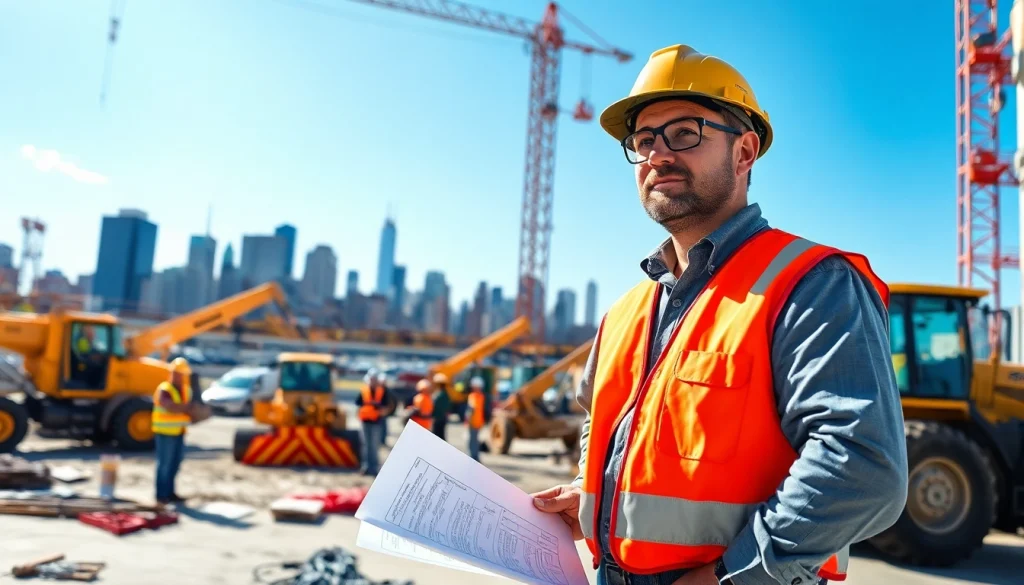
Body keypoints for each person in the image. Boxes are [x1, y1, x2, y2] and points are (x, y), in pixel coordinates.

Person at [530, 44, 909, 585]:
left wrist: (730, 577)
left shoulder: (811, 283)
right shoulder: (626, 312)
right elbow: (616, 433)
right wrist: (595, 497)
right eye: (644, 141)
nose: (658, 155)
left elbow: (864, 466)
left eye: (685, 133)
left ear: (744, 152)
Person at [152, 357, 195, 505]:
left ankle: (170, 493)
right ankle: (161, 495)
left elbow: (192, 409)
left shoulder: (186, 390)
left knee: (175, 464)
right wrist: (187, 407)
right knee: (164, 465)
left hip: (179, 431)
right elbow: (169, 406)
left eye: (181, 374)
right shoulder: (165, 389)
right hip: (165, 432)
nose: (178, 376)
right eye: (176, 373)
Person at [354, 371, 393, 475]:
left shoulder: (382, 391)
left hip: (376, 422)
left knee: (374, 445)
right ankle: (366, 466)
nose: (373, 381)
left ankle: (374, 467)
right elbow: (358, 403)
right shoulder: (364, 390)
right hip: (365, 421)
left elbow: (387, 406)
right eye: (371, 379)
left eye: (374, 379)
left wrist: (381, 410)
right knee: (366, 445)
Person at [464, 376, 486, 461]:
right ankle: (475, 456)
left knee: (472, 440)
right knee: (475, 440)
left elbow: (471, 409)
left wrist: (468, 420)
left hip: (473, 422)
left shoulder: (473, 396)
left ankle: (472, 457)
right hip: (478, 422)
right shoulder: (481, 396)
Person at [429, 372, 451, 441]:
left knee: (438, 436)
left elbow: (435, 406)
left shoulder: (440, 395)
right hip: (442, 417)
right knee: (440, 436)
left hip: (438, 418)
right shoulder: (446, 394)